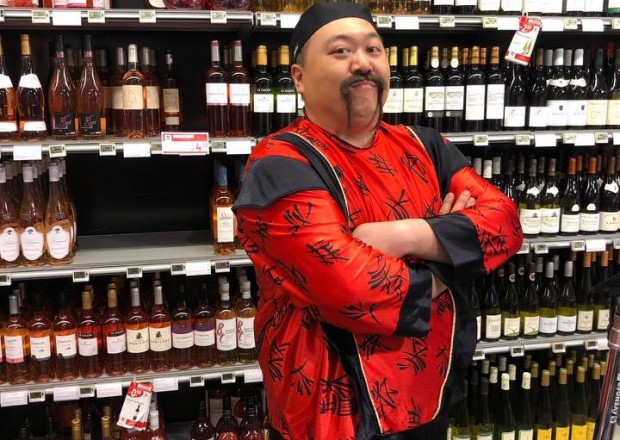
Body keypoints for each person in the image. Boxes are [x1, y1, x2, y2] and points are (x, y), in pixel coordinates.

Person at [233, 3, 523, 439]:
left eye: (373, 49)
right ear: (298, 78)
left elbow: (505, 223)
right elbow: (351, 286)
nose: (362, 63)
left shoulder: (424, 145)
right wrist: (453, 255)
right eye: (340, 51)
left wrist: (406, 235)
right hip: (330, 407)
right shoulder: (280, 162)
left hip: (428, 390)